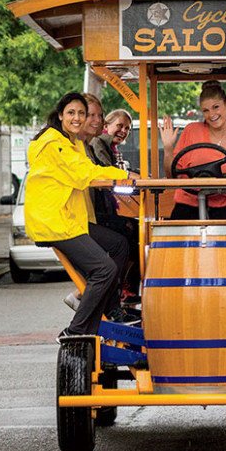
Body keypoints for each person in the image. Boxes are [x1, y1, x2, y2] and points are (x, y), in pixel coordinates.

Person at [24, 92, 132, 339]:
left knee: (119, 244)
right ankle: (77, 330)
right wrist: (127, 177)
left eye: (81, 113)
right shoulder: (54, 143)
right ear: (60, 115)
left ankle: (110, 310)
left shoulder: (71, 142)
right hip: (53, 221)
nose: (78, 118)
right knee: (103, 269)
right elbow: (84, 172)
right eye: (72, 113)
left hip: (69, 218)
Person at [159, 80, 226, 220]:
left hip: (225, 209)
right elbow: (172, 176)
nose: (212, 115)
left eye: (216, 107)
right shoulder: (191, 131)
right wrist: (168, 149)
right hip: (188, 206)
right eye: (206, 110)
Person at [87, 105, 141, 306]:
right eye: (120, 126)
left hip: (108, 208)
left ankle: (126, 288)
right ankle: (120, 289)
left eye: (127, 128)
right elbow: (107, 173)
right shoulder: (99, 143)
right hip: (98, 212)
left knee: (138, 231)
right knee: (131, 235)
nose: (123, 131)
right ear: (106, 125)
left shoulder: (111, 148)